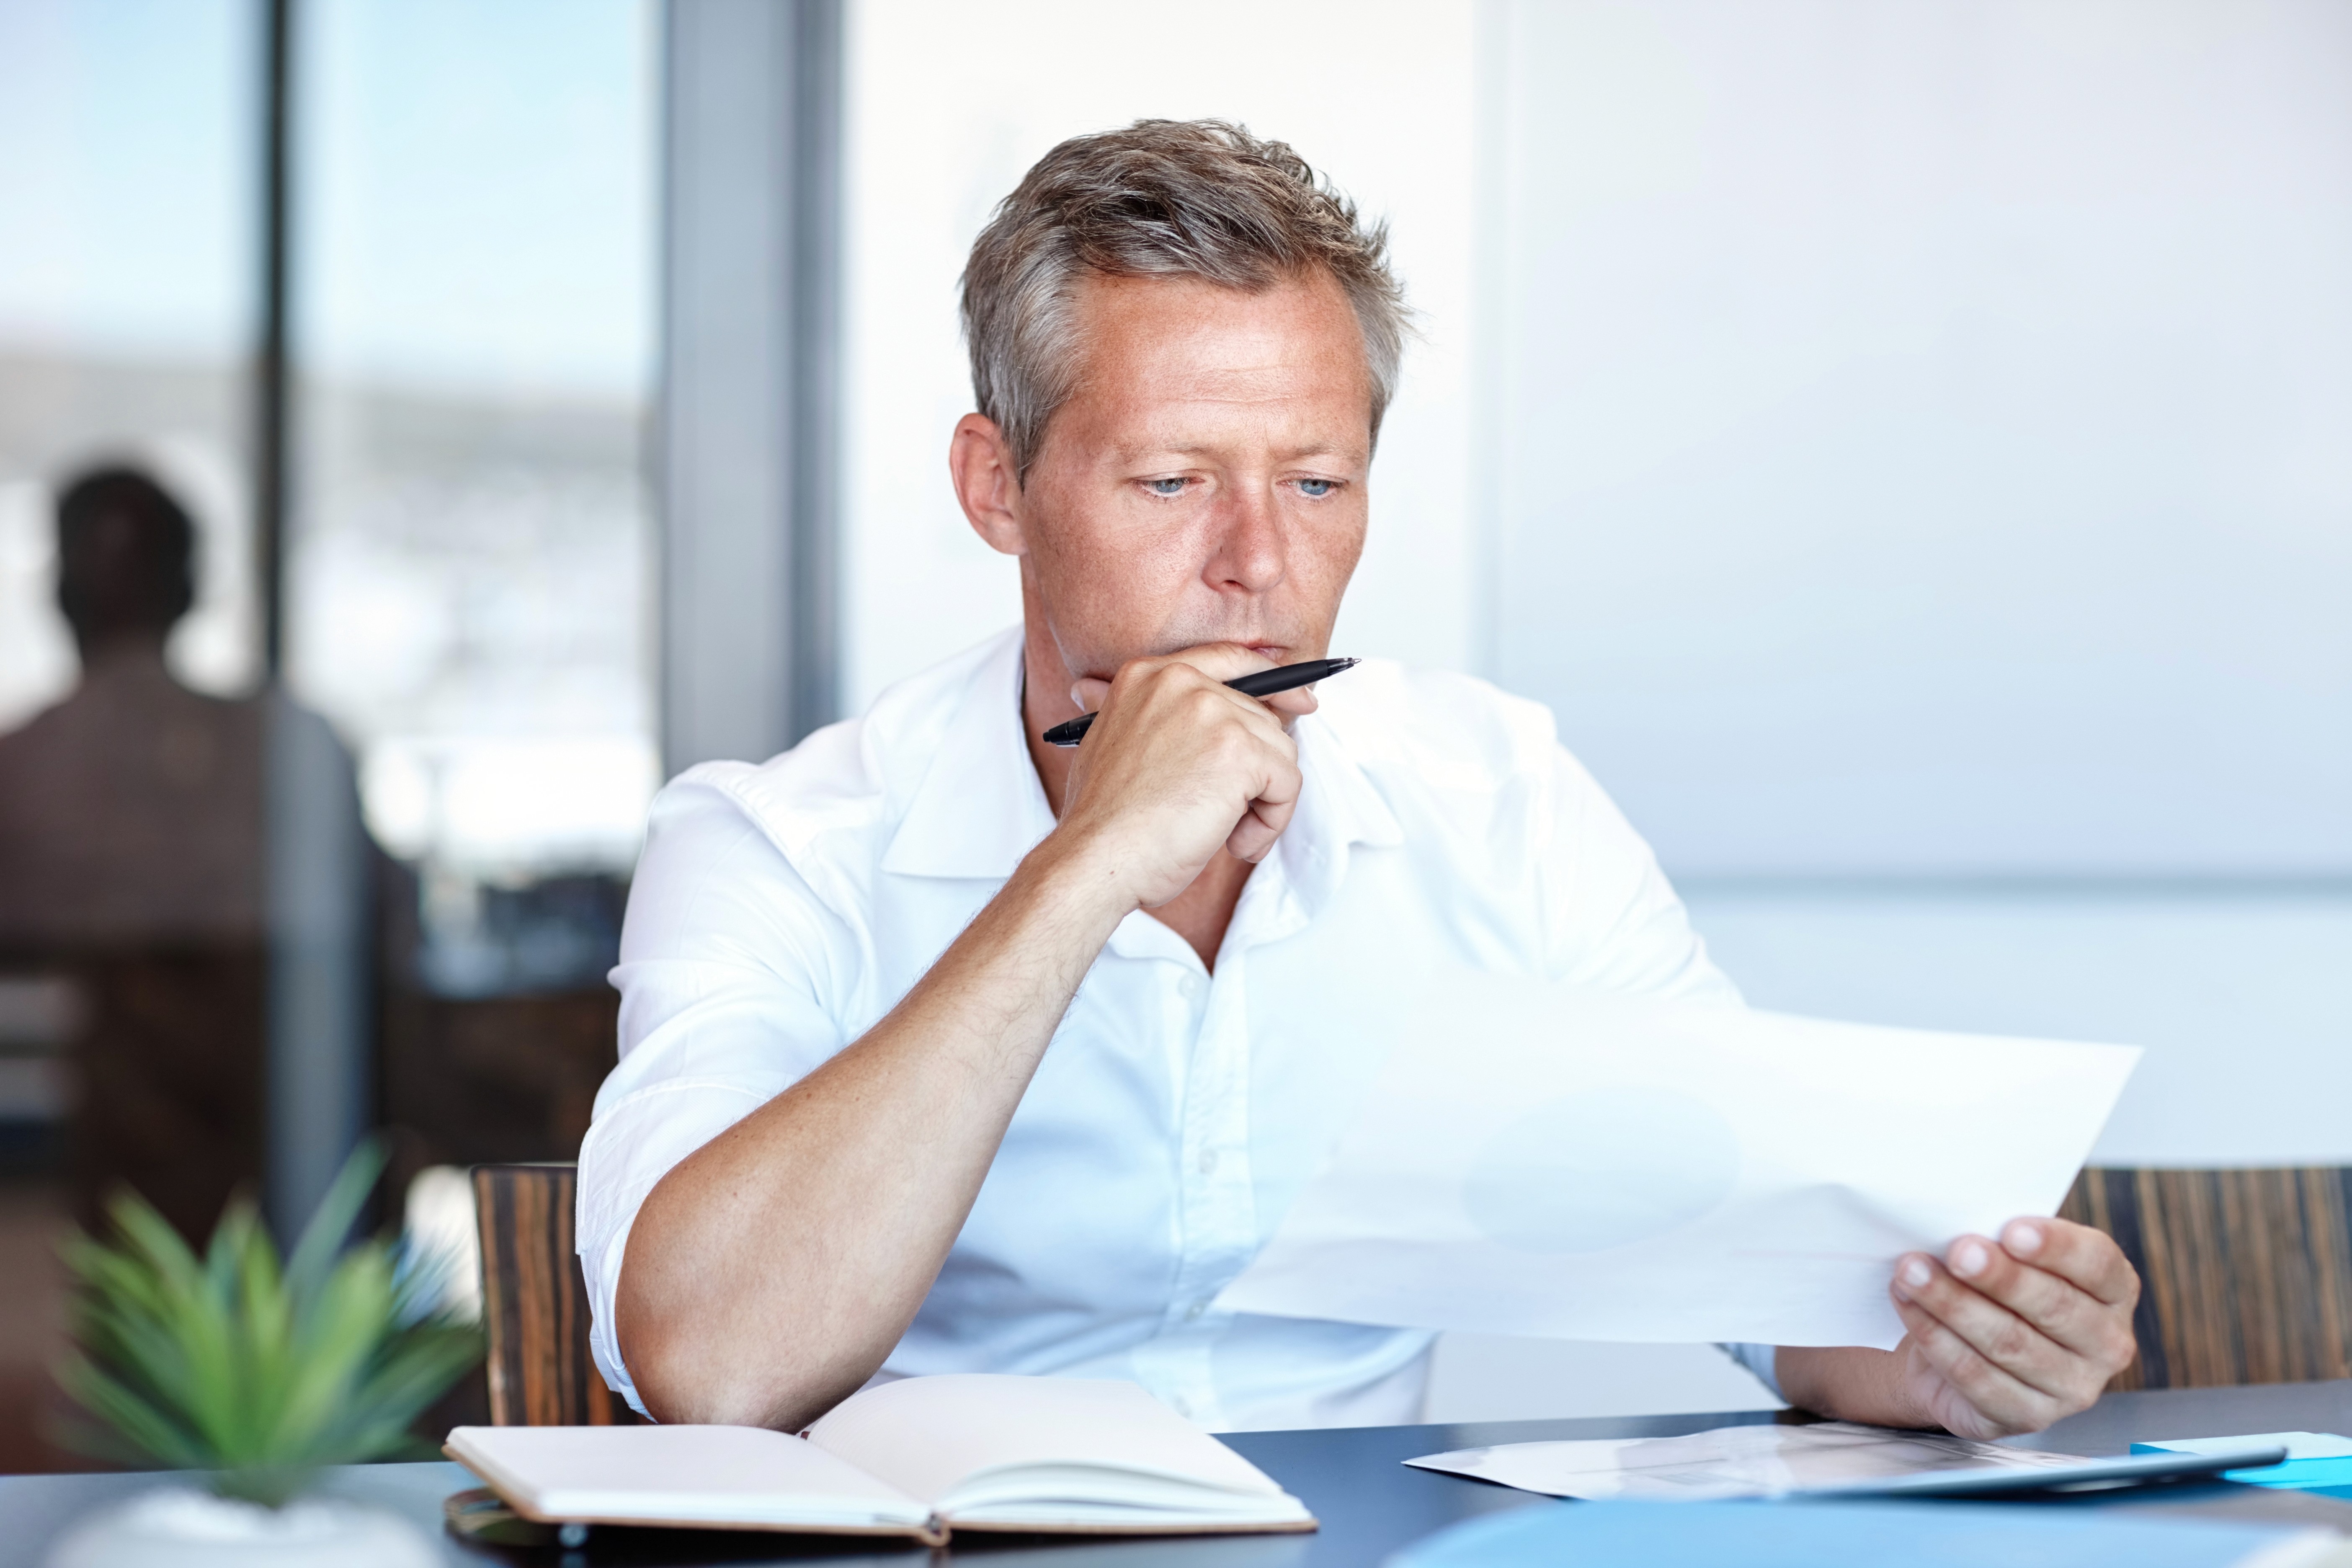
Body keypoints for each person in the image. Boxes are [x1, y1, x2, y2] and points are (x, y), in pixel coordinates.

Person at [581, 120, 2139, 1436]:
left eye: (1317, 482)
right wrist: (1081, 872)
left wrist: (1960, 1352)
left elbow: (1756, 1271)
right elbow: (712, 1363)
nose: (1257, 565)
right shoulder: (772, 841)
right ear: (998, 486)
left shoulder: (1495, 795)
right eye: (1172, 481)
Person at [0, 466, 266, 1241]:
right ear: (188, 589)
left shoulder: (23, 767)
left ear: (57, 593)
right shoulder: (281, 759)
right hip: (268, 1203)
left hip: (50, 1222)